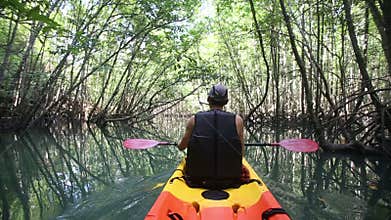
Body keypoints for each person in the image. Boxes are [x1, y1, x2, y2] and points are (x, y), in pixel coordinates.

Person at [178, 84, 245, 189]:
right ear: (226, 102)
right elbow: (241, 151)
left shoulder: (193, 119)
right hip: (230, 180)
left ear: (208, 99)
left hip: (197, 180)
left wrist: (179, 145)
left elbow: (181, 147)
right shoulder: (238, 120)